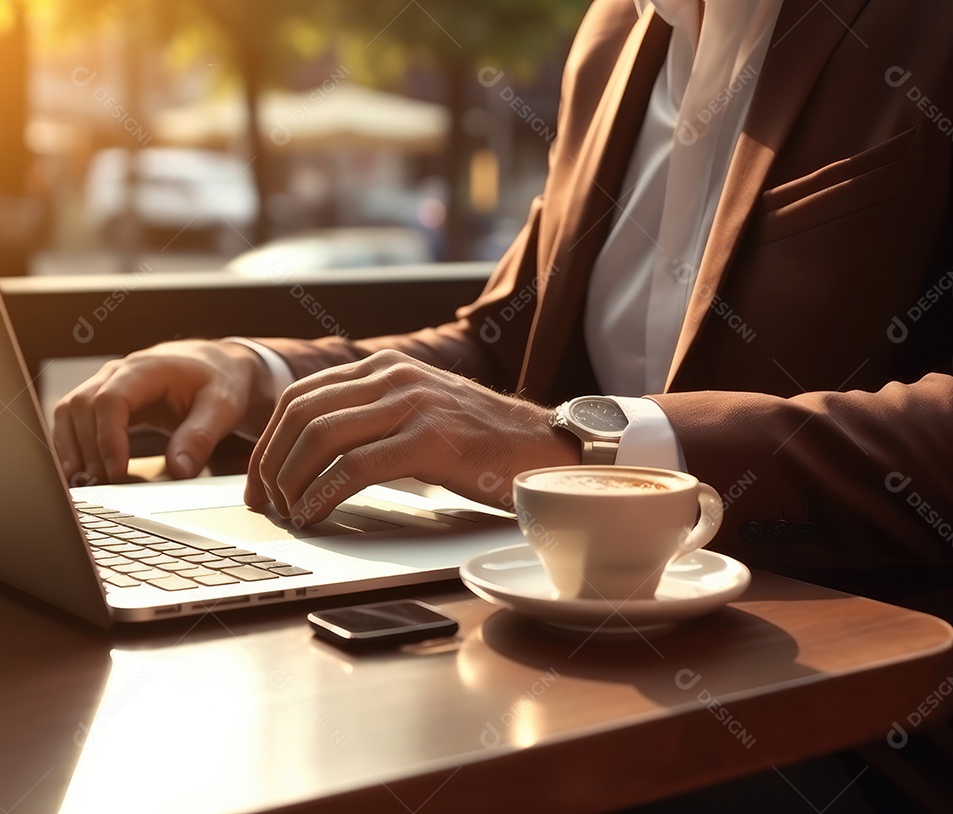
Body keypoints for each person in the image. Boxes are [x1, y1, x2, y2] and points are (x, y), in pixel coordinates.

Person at [56, 1, 953, 806]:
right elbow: (500, 349)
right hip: (574, 646)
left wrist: (590, 453)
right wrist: (256, 373)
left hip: (854, 710)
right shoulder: (615, 38)